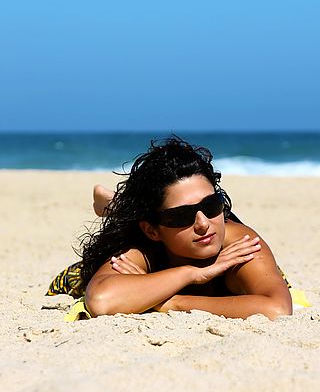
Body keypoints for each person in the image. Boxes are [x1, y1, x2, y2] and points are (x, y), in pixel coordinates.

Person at [71, 136, 293, 320]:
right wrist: (192, 274)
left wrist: (173, 302)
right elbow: (102, 301)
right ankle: (119, 206)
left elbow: (277, 309)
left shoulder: (239, 244)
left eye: (212, 204)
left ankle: (117, 203)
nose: (204, 224)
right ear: (152, 231)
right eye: (181, 216)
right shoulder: (142, 247)